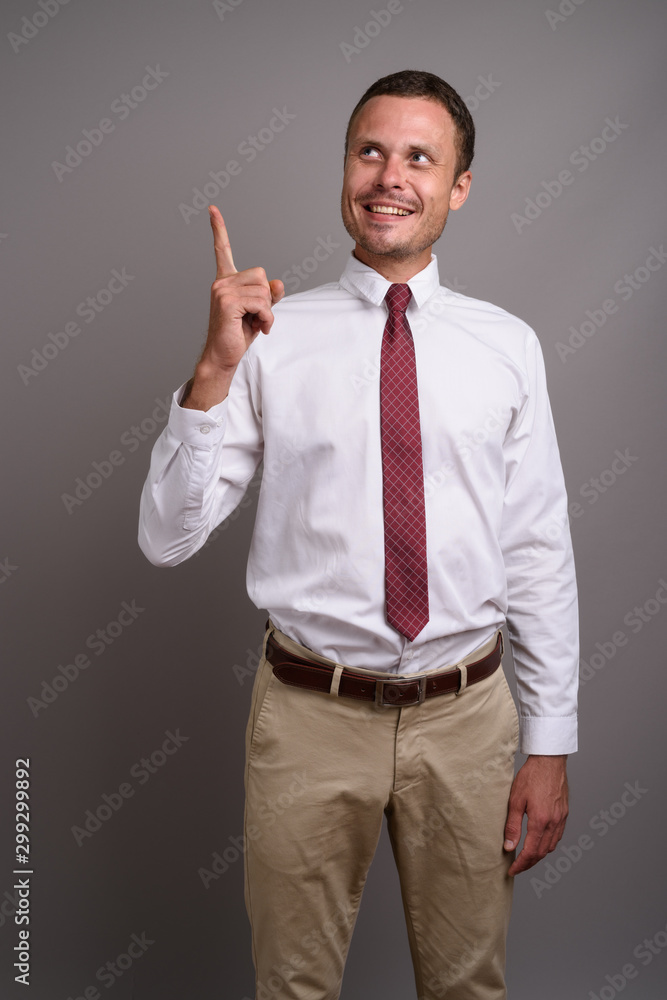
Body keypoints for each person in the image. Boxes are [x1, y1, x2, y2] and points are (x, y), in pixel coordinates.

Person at [138, 69, 579, 999]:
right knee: (291, 987)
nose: (390, 175)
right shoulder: (268, 336)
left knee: (467, 986)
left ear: (458, 186)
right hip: (307, 716)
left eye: (420, 157)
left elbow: (537, 550)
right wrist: (215, 368)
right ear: (345, 168)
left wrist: (549, 743)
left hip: (467, 718)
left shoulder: (509, 347)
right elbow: (165, 540)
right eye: (370, 151)